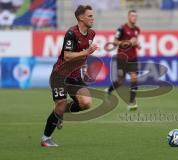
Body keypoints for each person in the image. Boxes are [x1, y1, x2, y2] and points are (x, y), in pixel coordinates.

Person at [41, 5, 99, 147]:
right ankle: (45, 139)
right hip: (60, 75)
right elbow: (67, 56)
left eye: (92, 15)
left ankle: (60, 115)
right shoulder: (71, 33)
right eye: (90, 16)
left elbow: (83, 54)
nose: (93, 18)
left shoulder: (92, 34)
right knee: (60, 105)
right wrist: (86, 52)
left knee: (86, 103)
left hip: (74, 76)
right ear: (81, 17)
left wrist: (84, 67)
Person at [106, 9, 141, 111]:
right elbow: (115, 41)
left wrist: (137, 45)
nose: (134, 17)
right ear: (128, 17)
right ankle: (109, 89)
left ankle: (131, 103)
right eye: (132, 16)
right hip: (122, 58)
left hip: (133, 57)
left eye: (135, 16)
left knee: (134, 77)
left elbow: (134, 42)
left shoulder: (137, 30)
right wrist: (129, 42)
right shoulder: (122, 29)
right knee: (120, 80)